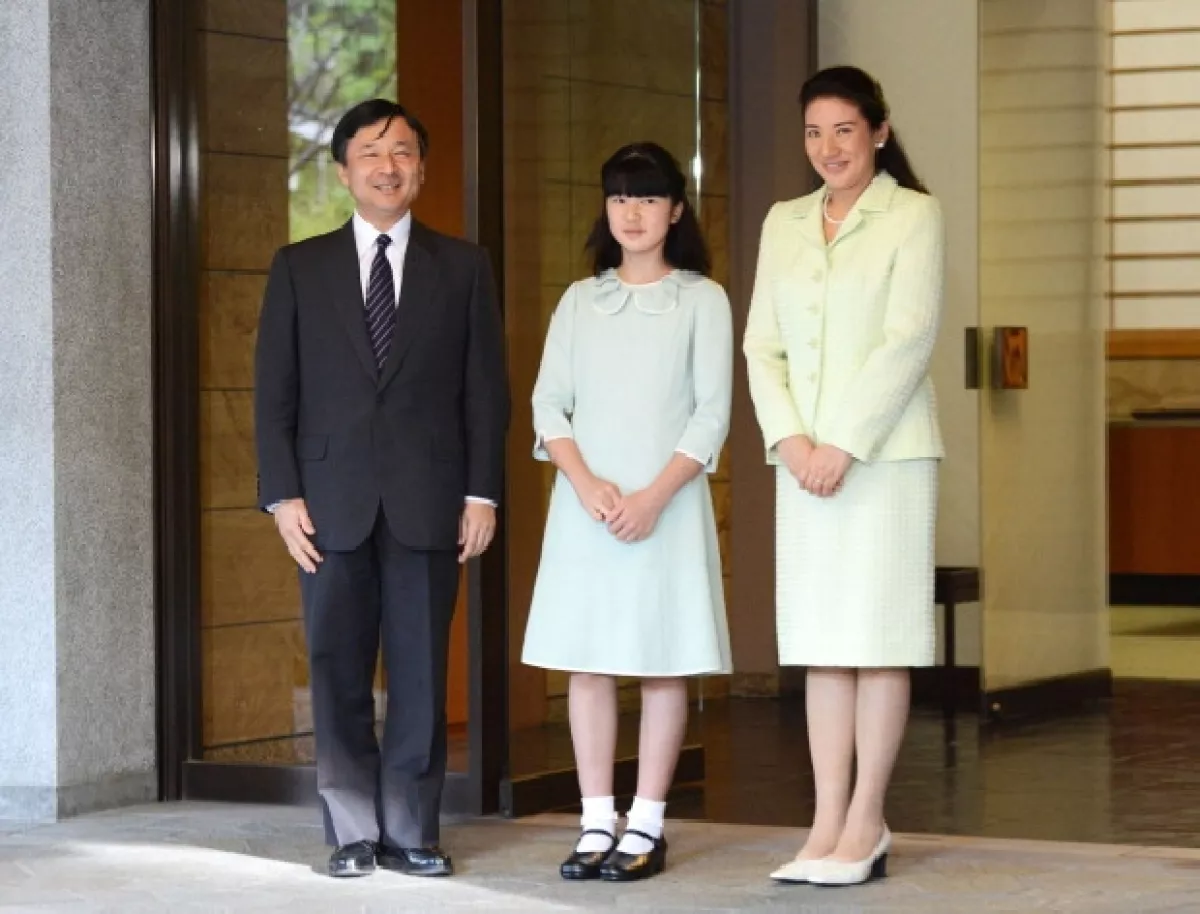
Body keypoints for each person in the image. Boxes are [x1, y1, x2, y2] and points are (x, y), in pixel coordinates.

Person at [254, 98, 509, 879]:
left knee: (421, 672)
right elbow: (274, 393)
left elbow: (485, 390)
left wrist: (482, 493)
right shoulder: (299, 267)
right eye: (370, 152)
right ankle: (352, 830)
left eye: (402, 151)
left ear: (421, 168)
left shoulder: (463, 266)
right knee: (337, 668)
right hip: (327, 504)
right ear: (343, 171)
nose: (387, 165)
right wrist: (282, 496)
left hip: (430, 499)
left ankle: (410, 829)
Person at [743, 65, 945, 888]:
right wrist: (792, 441)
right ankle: (826, 820)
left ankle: (867, 819)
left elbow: (910, 338)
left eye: (845, 131)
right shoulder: (783, 221)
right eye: (814, 133)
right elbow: (762, 346)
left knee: (879, 637)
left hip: (884, 460)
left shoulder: (914, 215)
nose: (828, 148)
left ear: (879, 133)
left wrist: (843, 445)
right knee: (823, 642)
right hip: (802, 465)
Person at [521, 142, 733, 883]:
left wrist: (652, 496)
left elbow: (712, 414)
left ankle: (646, 823)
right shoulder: (580, 301)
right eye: (618, 197)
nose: (631, 212)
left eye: (647, 197)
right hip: (587, 509)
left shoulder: (703, 300)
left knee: (661, 660)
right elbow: (548, 404)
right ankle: (593, 821)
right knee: (589, 662)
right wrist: (584, 484)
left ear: (676, 210)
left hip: (666, 508)